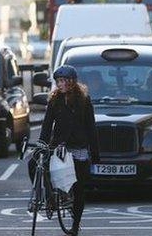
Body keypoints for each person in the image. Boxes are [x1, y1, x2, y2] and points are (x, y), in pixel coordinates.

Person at [38, 65, 99, 235]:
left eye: (63, 81)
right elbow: (47, 124)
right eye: (58, 81)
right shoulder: (54, 100)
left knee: (79, 188)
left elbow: (91, 127)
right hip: (59, 144)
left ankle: (75, 223)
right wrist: (42, 144)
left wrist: (95, 153)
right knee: (41, 166)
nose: (60, 84)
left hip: (79, 146)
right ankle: (51, 197)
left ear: (72, 82)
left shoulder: (84, 100)